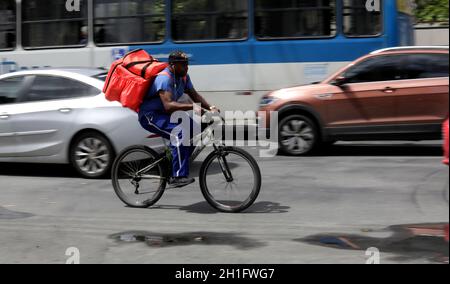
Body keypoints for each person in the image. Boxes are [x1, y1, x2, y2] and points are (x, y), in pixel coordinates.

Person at [139, 51, 220, 188]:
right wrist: (192, 106)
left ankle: (175, 160)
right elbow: (168, 106)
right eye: (183, 65)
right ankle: (177, 176)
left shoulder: (183, 77)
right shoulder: (164, 79)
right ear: (172, 65)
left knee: (194, 129)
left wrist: (210, 107)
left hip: (165, 114)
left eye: (187, 64)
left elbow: (195, 95)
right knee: (180, 133)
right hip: (150, 116)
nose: (186, 68)